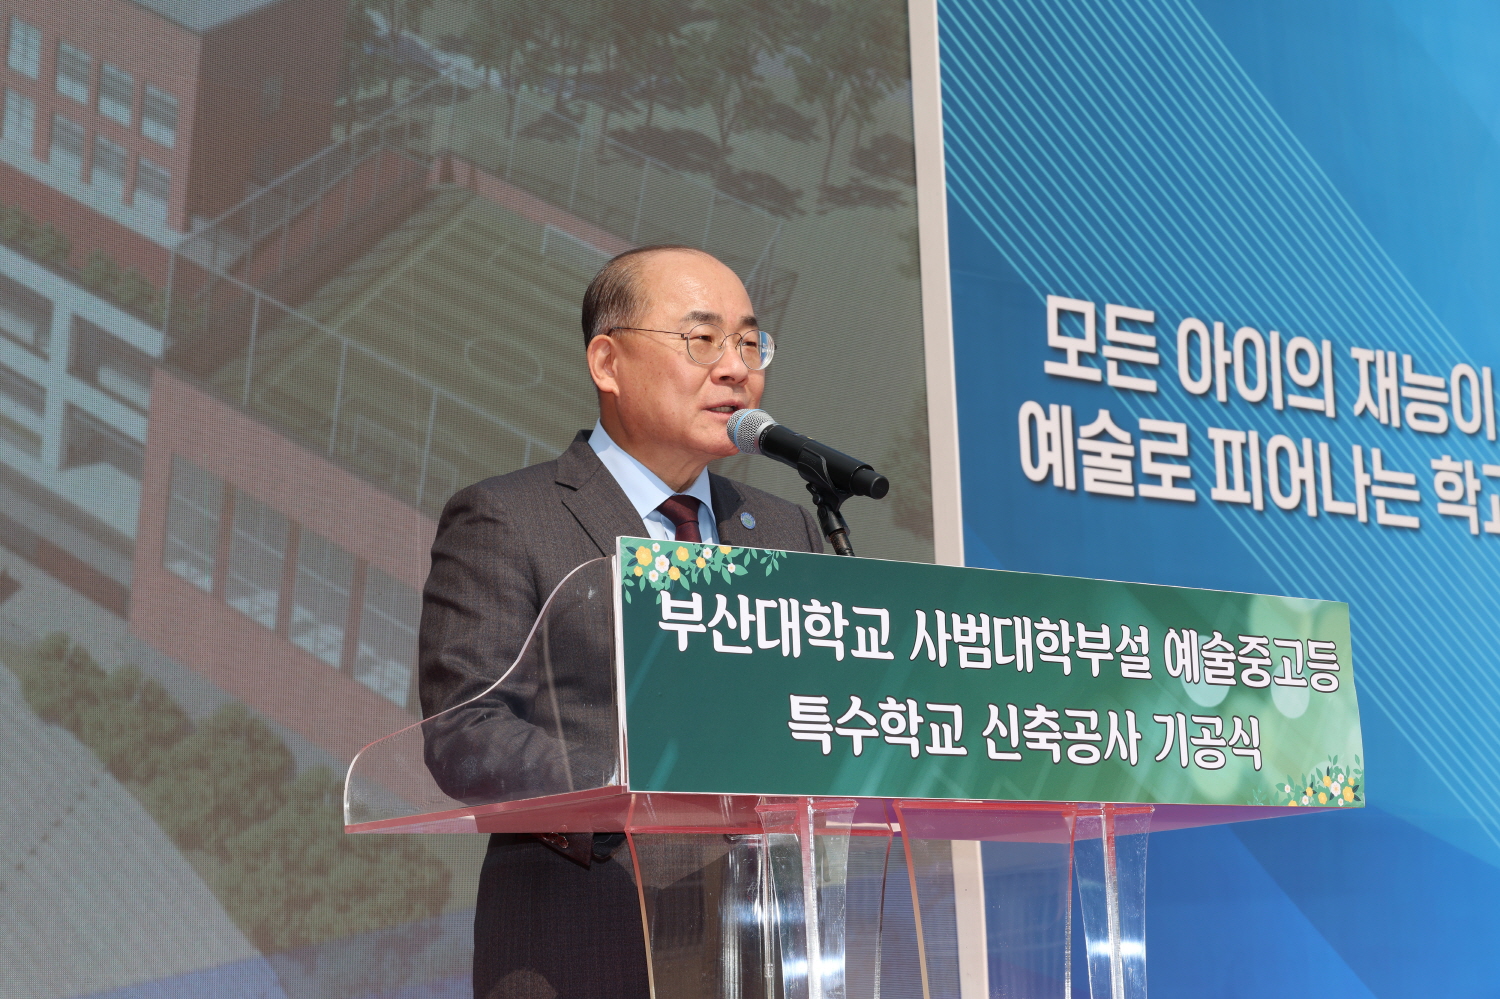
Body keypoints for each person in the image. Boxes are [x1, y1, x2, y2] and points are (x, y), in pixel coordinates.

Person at [418, 245, 823, 999]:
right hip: (582, 934)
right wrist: (628, 785)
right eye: (701, 339)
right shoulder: (510, 517)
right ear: (607, 362)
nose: (735, 367)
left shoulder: (785, 528)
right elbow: (464, 726)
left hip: (755, 947)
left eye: (748, 342)